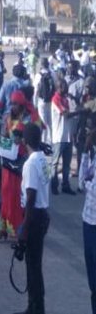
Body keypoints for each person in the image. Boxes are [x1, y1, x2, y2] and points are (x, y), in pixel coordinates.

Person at [0, 90, 44, 241]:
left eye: (16, 104)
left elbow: (36, 137)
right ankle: (3, 228)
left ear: (22, 104)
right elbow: (5, 135)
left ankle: (17, 230)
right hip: (8, 164)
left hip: (21, 164)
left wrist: (22, 141)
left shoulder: (31, 119)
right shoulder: (8, 118)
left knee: (17, 197)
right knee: (6, 195)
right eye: (12, 103)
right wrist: (2, 137)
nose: (13, 106)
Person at [15, 123, 50, 314]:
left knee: (33, 267)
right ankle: (34, 306)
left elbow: (30, 198)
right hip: (43, 214)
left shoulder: (30, 164)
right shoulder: (43, 159)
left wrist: (24, 231)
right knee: (35, 265)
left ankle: (36, 308)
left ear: (25, 141)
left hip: (34, 217)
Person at [80, 118, 96, 314]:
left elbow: (90, 186)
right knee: (92, 281)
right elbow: (82, 181)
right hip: (88, 221)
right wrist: (85, 151)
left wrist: (88, 182)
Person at [51, 79, 76, 196]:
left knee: (66, 164)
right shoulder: (56, 99)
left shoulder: (65, 99)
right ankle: (54, 185)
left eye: (65, 85)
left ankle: (65, 185)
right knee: (55, 164)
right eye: (62, 85)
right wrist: (81, 111)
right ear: (57, 87)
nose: (65, 87)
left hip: (67, 136)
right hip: (58, 137)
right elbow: (66, 114)